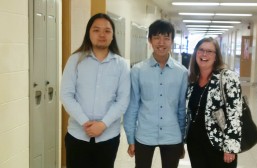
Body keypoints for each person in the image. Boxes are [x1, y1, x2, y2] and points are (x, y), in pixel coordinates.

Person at [60, 13, 130, 168]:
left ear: (113, 35)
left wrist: (103, 125)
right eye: (96, 30)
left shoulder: (121, 65)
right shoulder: (75, 60)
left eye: (107, 31)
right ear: (88, 33)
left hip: (108, 137)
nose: (102, 35)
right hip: (77, 135)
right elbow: (66, 95)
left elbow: (123, 100)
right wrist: (85, 122)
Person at [123, 19, 188, 168]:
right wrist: (130, 138)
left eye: (166, 38)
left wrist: (182, 140)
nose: (161, 43)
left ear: (172, 41)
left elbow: (181, 109)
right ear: (150, 40)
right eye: (157, 37)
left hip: (172, 135)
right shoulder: (137, 71)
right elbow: (132, 106)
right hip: (144, 134)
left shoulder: (182, 72)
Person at [186, 37, 242, 168]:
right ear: (196, 53)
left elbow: (235, 114)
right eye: (201, 50)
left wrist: (230, 147)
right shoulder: (193, 80)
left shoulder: (227, 77)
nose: (204, 54)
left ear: (216, 56)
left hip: (220, 145)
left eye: (209, 51)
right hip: (195, 143)